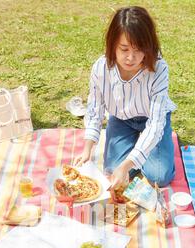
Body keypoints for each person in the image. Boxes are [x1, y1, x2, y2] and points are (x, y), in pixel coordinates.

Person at [73, 6, 176, 189]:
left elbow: (155, 124)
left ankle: (148, 146)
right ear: (113, 45)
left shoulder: (159, 69)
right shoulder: (100, 68)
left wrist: (128, 164)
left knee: (159, 177)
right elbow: (95, 110)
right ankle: (140, 148)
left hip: (151, 120)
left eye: (138, 49)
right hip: (121, 119)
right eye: (124, 49)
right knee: (113, 172)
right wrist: (87, 149)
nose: (131, 57)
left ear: (149, 46)